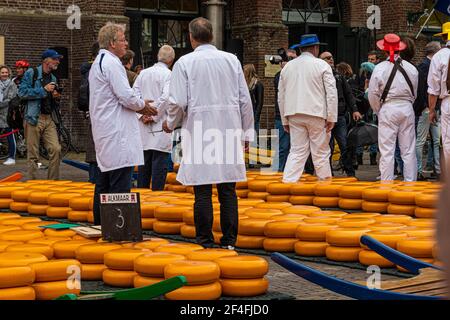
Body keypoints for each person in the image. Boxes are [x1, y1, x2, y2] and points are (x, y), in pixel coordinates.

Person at [162, 17, 254, 249]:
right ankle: (230, 241)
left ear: (191, 38)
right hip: (229, 129)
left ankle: (205, 240)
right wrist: (247, 134)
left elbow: (177, 101)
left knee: (202, 189)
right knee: (227, 190)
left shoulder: (185, 63)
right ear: (211, 35)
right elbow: (245, 100)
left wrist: (170, 123)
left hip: (200, 130)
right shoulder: (231, 60)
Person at [89, 22, 157, 225]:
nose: (126, 43)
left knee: (103, 182)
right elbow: (125, 95)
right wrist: (142, 106)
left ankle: (100, 224)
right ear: (112, 43)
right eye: (122, 39)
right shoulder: (111, 63)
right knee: (118, 183)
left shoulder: (99, 62)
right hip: (117, 132)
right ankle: (116, 229)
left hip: (106, 129)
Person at [278, 34, 338, 183]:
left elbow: (281, 95)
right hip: (316, 112)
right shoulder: (322, 65)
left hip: (294, 113)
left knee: (297, 150)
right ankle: (324, 184)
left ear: (301, 48)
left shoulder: (288, 67)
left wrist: (284, 119)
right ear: (315, 48)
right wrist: (332, 117)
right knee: (321, 152)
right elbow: (331, 93)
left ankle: (288, 183)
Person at [368, 33, 418, 182]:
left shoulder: (379, 68)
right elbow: (414, 92)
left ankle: (387, 182)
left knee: (387, 150)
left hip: (388, 107)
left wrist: (378, 110)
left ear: (384, 50)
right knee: (408, 150)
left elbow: (372, 94)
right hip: (407, 107)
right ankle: (411, 182)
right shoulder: (411, 69)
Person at [134, 45, 175, 190]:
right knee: (159, 166)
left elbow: (134, 95)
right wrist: (153, 115)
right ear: (171, 60)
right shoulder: (169, 75)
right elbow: (166, 98)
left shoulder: (143, 73)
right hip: (159, 125)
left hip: (143, 124)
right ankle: (157, 196)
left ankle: (142, 198)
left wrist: (142, 113)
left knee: (143, 167)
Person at [18, 49, 63, 180]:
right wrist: (43, 90)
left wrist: (56, 96)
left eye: (58, 59)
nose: (58, 62)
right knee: (33, 155)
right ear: (46, 60)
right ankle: (32, 185)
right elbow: (22, 93)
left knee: (56, 149)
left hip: (49, 118)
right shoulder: (32, 73)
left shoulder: (53, 77)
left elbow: (52, 98)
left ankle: (53, 183)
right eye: (55, 59)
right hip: (33, 117)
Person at [319, 52, 362, 177]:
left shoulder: (338, 76)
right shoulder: (317, 75)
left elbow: (348, 93)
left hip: (340, 115)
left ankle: (350, 173)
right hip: (324, 117)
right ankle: (328, 174)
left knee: (344, 144)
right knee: (328, 146)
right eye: (327, 58)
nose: (331, 59)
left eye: (331, 57)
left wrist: (354, 109)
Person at [414, 41, 441, 181]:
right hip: (428, 108)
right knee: (422, 140)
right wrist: (426, 106)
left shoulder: (428, 65)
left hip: (433, 107)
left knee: (436, 140)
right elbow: (422, 89)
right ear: (435, 52)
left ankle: (437, 169)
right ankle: (418, 170)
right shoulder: (424, 66)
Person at [428, 22, 450, 169]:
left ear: (443, 37)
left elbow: (433, 88)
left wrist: (431, 110)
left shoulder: (439, 56)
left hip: (448, 101)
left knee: (448, 140)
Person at [80, 42, 100, 183]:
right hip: (97, 112)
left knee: (94, 147)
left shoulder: (87, 70)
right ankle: (95, 182)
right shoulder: (96, 69)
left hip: (91, 111)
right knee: (97, 148)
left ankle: (94, 181)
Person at [274, 59, 291, 172]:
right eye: (284, 60)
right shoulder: (278, 76)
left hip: (296, 115)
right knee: (283, 146)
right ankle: (280, 171)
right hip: (282, 116)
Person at [0, 65, 18, 165]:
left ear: (9, 73)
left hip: (7, 114)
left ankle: (12, 158)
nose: (4, 74)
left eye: (6, 72)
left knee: (10, 136)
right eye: (2, 72)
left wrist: (0, 104)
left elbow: (11, 99)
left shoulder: (12, 85)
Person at [243, 64, 264, 135]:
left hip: (253, 112)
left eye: (245, 71)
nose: (243, 73)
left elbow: (260, 102)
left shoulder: (258, 84)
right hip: (246, 112)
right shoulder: (246, 83)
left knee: (253, 134)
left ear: (249, 72)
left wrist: (256, 116)